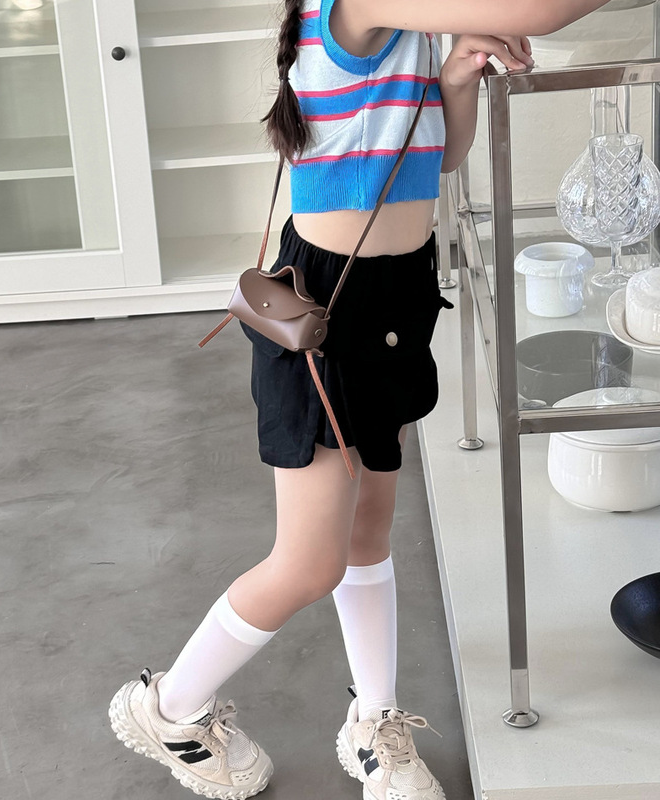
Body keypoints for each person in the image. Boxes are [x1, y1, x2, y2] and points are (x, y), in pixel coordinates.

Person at [109, 1, 613, 798]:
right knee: (309, 562)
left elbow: (441, 158)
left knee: (368, 532)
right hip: (328, 314)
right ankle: (167, 708)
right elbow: (541, 12)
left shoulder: (411, 28)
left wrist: (455, 78)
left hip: (394, 299)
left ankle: (373, 722)